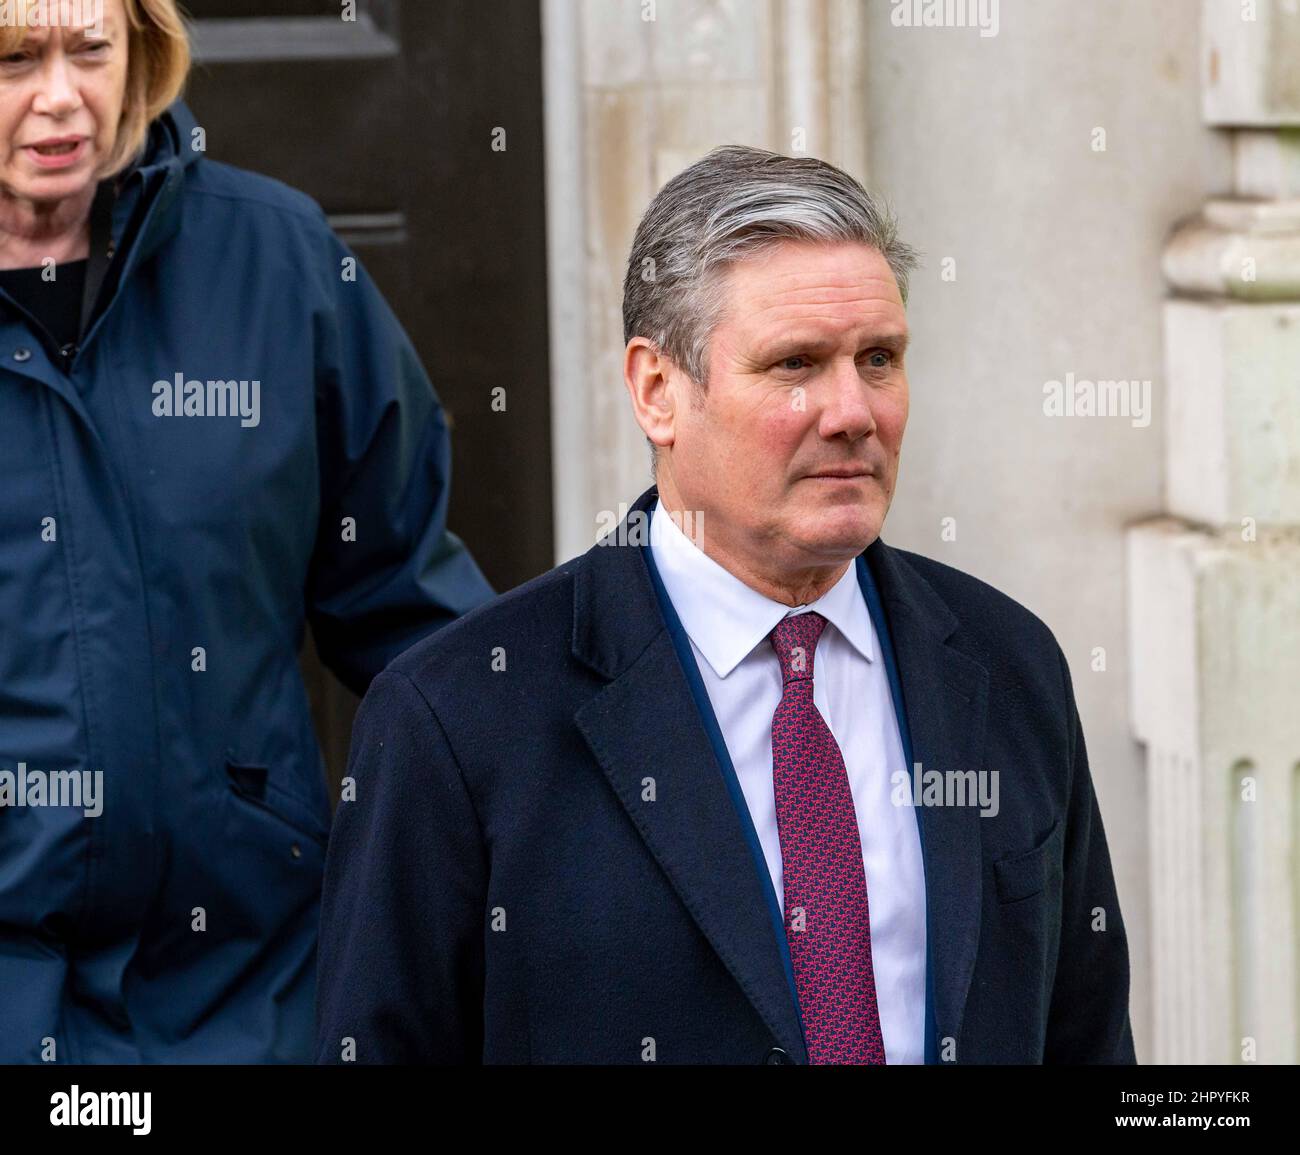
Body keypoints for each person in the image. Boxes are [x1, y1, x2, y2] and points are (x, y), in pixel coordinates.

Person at [315, 145, 1136, 1064]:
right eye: (795, 364)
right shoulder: (458, 717)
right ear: (659, 391)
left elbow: (1088, 1037)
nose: (852, 411)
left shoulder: (1009, 664)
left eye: (878, 358)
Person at [0, 0, 492, 1062]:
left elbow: (408, 605)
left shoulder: (279, 261)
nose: (58, 97)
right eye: (10, 59)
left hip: (250, 993)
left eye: (91, 50)